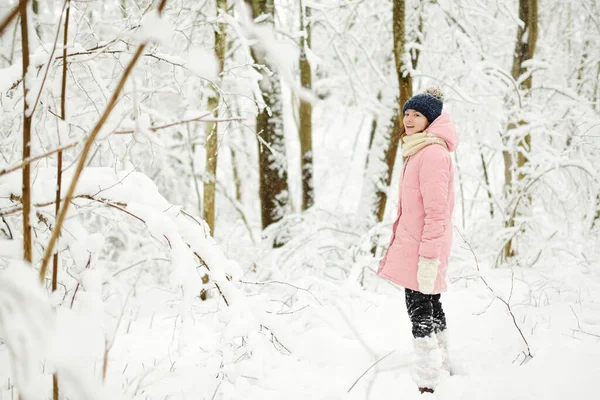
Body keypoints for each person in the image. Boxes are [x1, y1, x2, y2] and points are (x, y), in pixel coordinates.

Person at [377, 87, 459, 394]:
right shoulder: (419, 149)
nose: (409, 119)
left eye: (417, 115)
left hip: (423, 247)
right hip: (417, 243)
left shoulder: (432, 154)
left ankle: (428, 381)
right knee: (431, 303)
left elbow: (437, 212)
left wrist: (428, 257)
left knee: (419, 307)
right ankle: (445, 365)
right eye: (407, 113)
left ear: (431, 120)